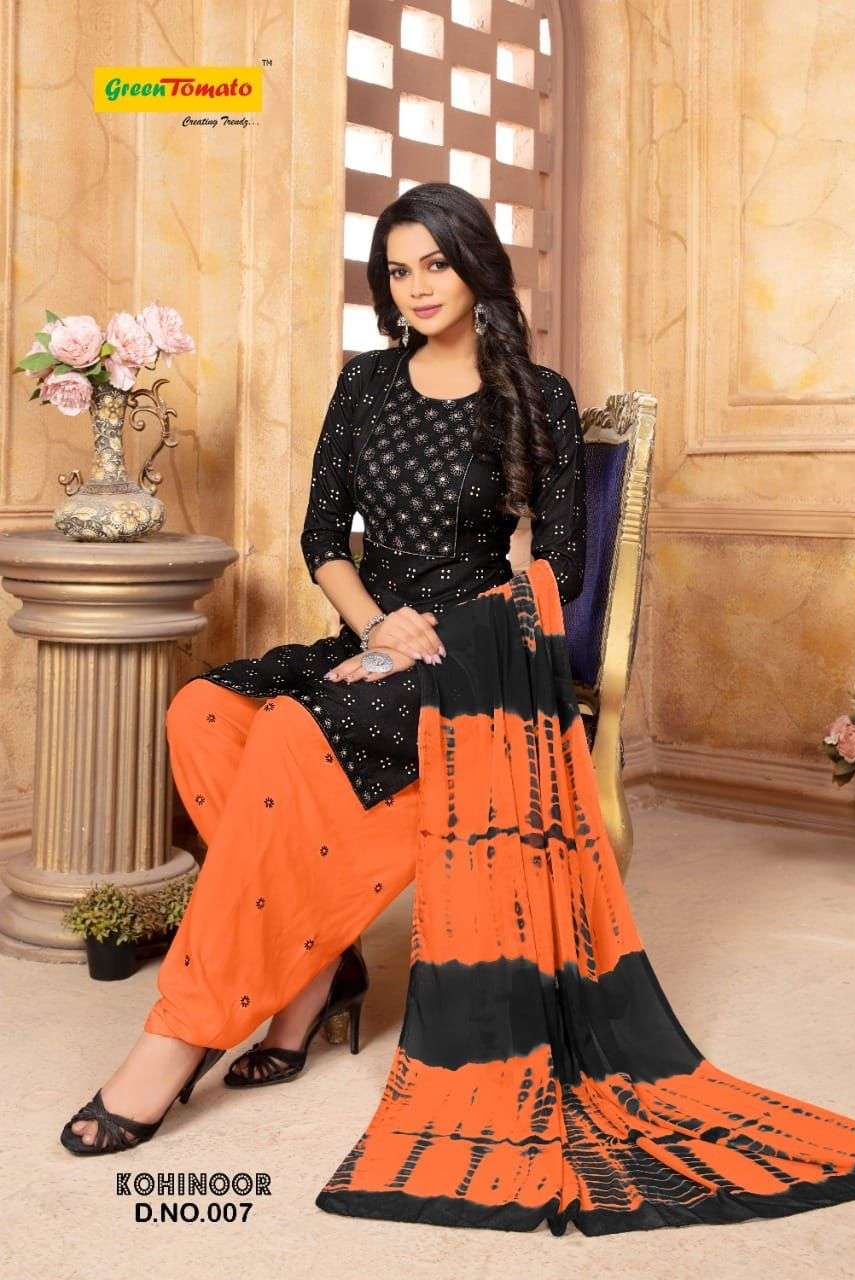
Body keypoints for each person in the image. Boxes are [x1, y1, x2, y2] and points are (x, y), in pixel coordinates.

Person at [60, 181, 587, 1153]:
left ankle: (182, 1031)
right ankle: (316, 967)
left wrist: (433, 635)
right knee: (204, 712)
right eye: (398, 269)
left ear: (477, 266)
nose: (417, 285)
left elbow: (561, 569)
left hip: (472, 655)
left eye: (436, 263)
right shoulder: (366, 384)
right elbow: (321, 538)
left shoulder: (539, 396)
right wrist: (378, 629)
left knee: (295, 731)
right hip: (369, 632)